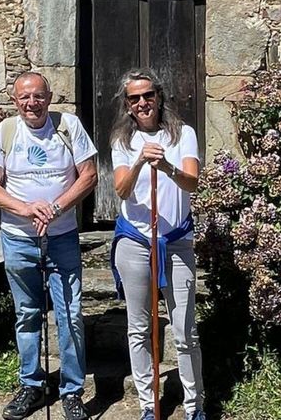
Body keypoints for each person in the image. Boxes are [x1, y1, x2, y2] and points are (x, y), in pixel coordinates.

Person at [0, 71, 97, 420]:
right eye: (24, 98)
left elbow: (89, 174)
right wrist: (26, 209)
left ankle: (72, 391)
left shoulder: (69, 126)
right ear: (15, 101)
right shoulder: (6, 131)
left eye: (38, 96)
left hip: (61, 237)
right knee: (27, 314)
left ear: (49, 97)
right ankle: (31, 385)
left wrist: (57, 208)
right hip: (17, 238)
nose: (32, 103)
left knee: (70, 314)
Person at [109, 68, 206, 420]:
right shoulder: (122, 141)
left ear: (159, 96)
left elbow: (192, 182)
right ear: (127, 105)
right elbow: (121, 189)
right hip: (134, 241)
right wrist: (138, 163)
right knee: (139, 328)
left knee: (184, 329)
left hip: (176, 242)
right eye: (134, 99)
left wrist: (165, 166)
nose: (143, 103)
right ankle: (149, 407)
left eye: (148, 95)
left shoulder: (184, 135)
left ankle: (195, 406)